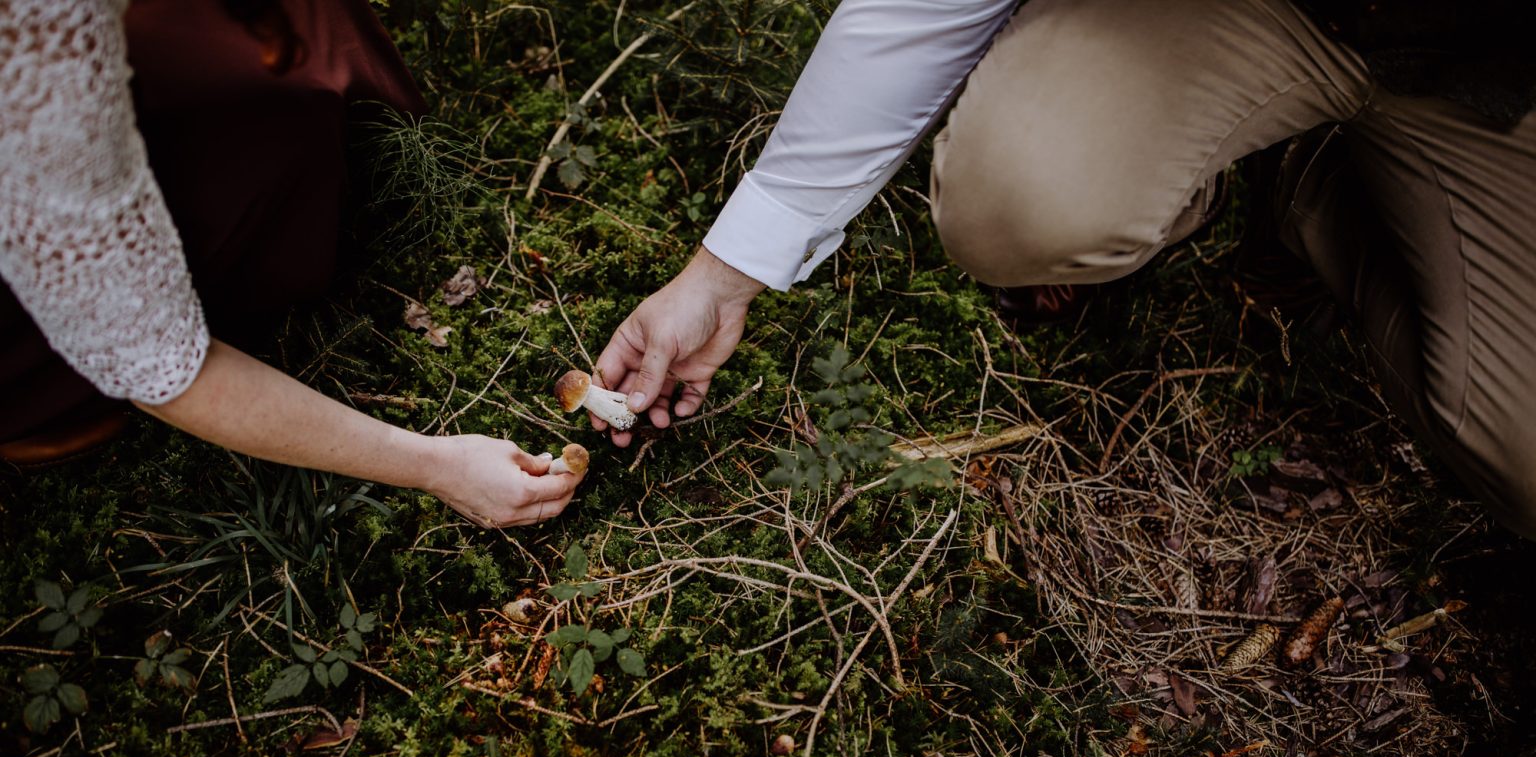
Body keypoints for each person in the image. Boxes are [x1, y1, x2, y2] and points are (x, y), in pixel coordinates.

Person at [594, 0, 1536, 539]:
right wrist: (722, 275)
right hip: (1244, 15)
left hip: (1491, 65)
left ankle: (1352, 184)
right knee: (1024, 195)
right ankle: (1262, 170)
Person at [0, 0, 578, 529]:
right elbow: (162, 366)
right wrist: (440, 465)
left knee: (299, 73)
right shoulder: (38, 79)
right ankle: (41, 394)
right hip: (38, 186)